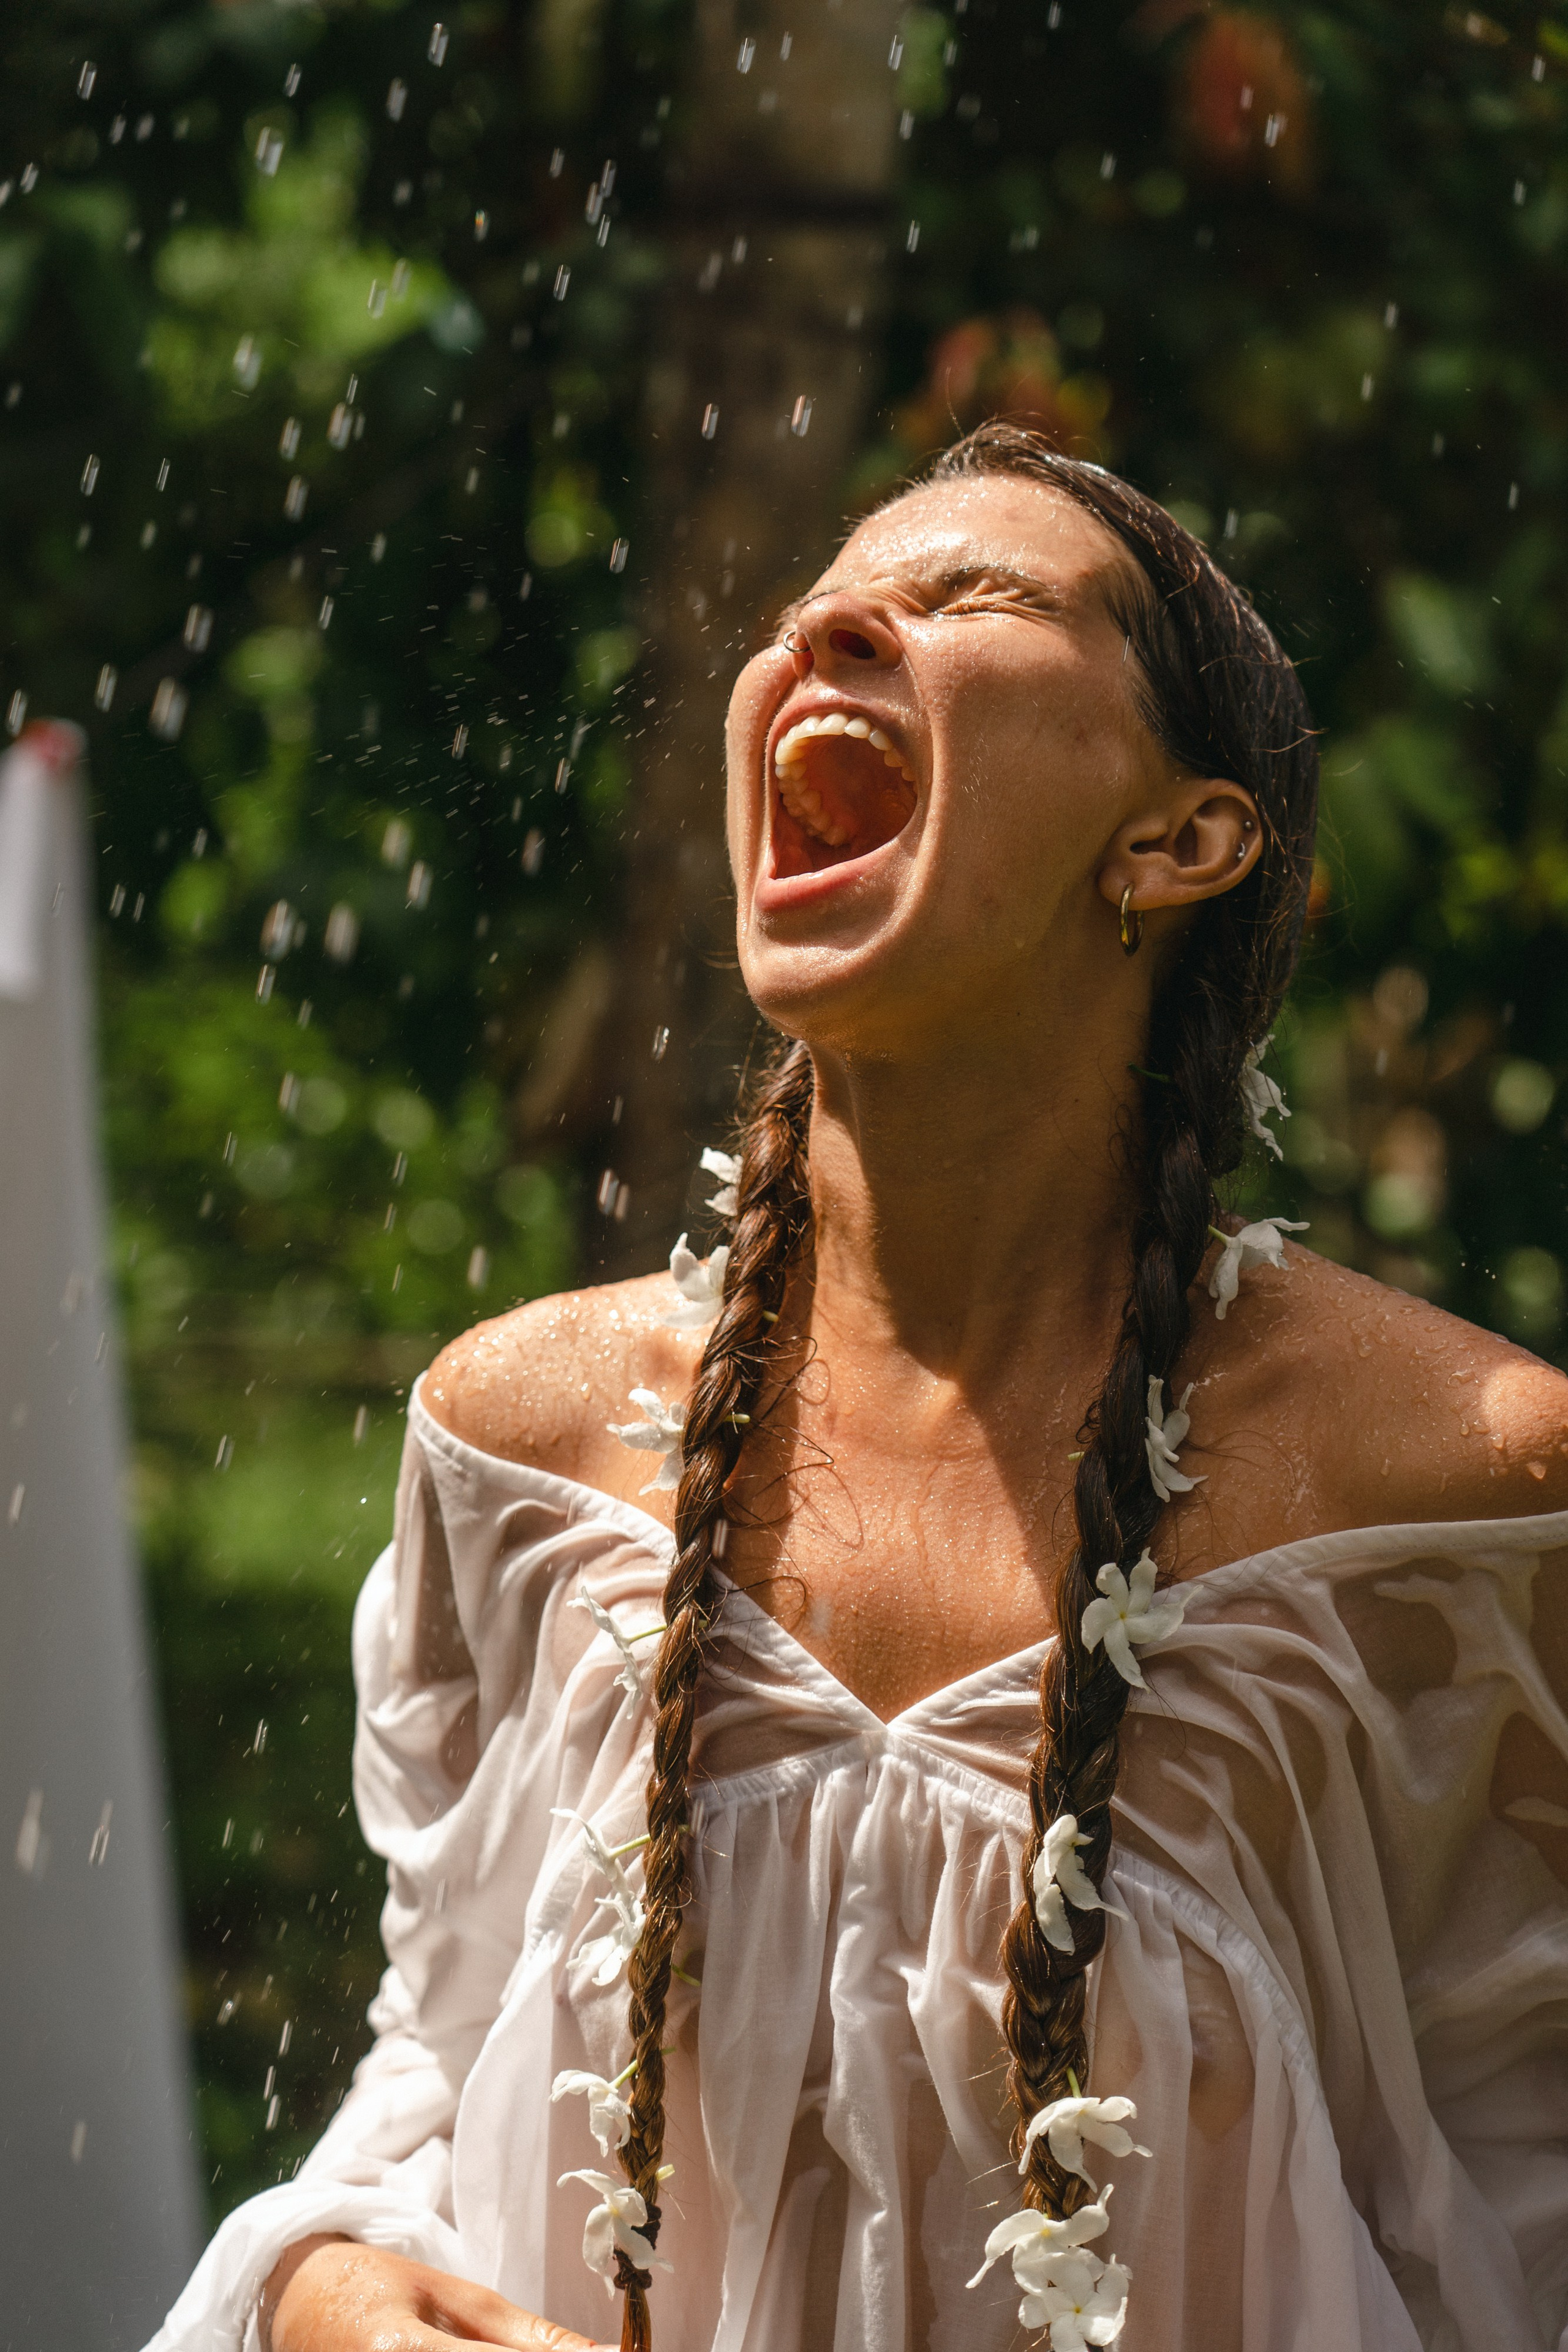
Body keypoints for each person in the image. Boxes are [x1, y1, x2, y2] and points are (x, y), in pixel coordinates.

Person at [148, 426, 1568, 2352]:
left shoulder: (1463, 1498)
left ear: (1178, 840)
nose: (828, 623)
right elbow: (442, 2061)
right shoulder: (527, 1441)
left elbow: (1520, 2194)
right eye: (815, 601)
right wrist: (321, 2291)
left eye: (967, 596)